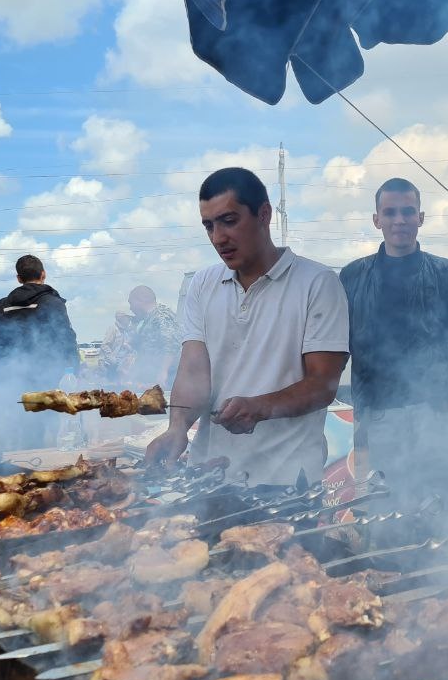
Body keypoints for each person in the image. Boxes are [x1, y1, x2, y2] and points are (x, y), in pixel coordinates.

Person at [145, 167, 349, 488]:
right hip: (209, 476)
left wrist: (259, 407)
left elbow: (323, 384)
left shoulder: (317, 283)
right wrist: (178, 427)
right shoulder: (203, 283)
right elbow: (194, 371)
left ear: (263, 214)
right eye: (209, 226)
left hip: (285, 479)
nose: (218, 238)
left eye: (229, 221)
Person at [339, 178, 448, 525]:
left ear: (420, 218)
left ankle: (439, 577)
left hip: (433, 414)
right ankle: (387, 577)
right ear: (376, 219)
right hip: (379, 418)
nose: (399, 220)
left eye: (408, 212)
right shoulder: (353, 277)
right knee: (384, 512)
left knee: (436, 511)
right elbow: (335, 343)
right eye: (389, 212)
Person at [0, 255, 80, 394]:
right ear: (43, 274)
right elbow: (66, 339)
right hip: (46, 380)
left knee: (11, 414)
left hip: (8, 381)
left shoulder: (0, 306)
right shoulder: (53, 303)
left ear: (19, 278)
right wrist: (73, 370)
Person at [126, 285, 180, 389]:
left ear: (141, 300)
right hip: (154, 377)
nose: (130, 308)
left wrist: (163, 372)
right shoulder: (149, 319)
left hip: (167, 379)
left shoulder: (161, 315)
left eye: (131, 303)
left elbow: (171, 343)